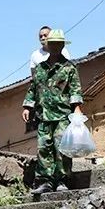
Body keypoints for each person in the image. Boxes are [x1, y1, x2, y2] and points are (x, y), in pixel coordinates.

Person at [22, 29, 83, 195]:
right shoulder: (40, 68)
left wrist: (77, 110)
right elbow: (33, 87)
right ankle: (45, 182)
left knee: (62, 148)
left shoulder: (69, 68)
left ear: (62, 45)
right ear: (47, 46)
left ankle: (62, 180)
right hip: (43, 116)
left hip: (62, 115)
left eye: (58, 44)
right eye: (52, 44)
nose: (55, 47)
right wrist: (28, 106)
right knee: (43, 148)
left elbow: (75, 90)